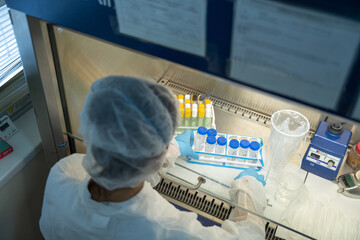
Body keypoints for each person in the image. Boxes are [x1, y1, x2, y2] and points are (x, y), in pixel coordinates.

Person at [39, 76, 265, 239]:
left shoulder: (63, 173)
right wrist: (247, 192)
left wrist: (171, 151)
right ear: (157, 151)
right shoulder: (167, 229)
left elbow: (118, 180)